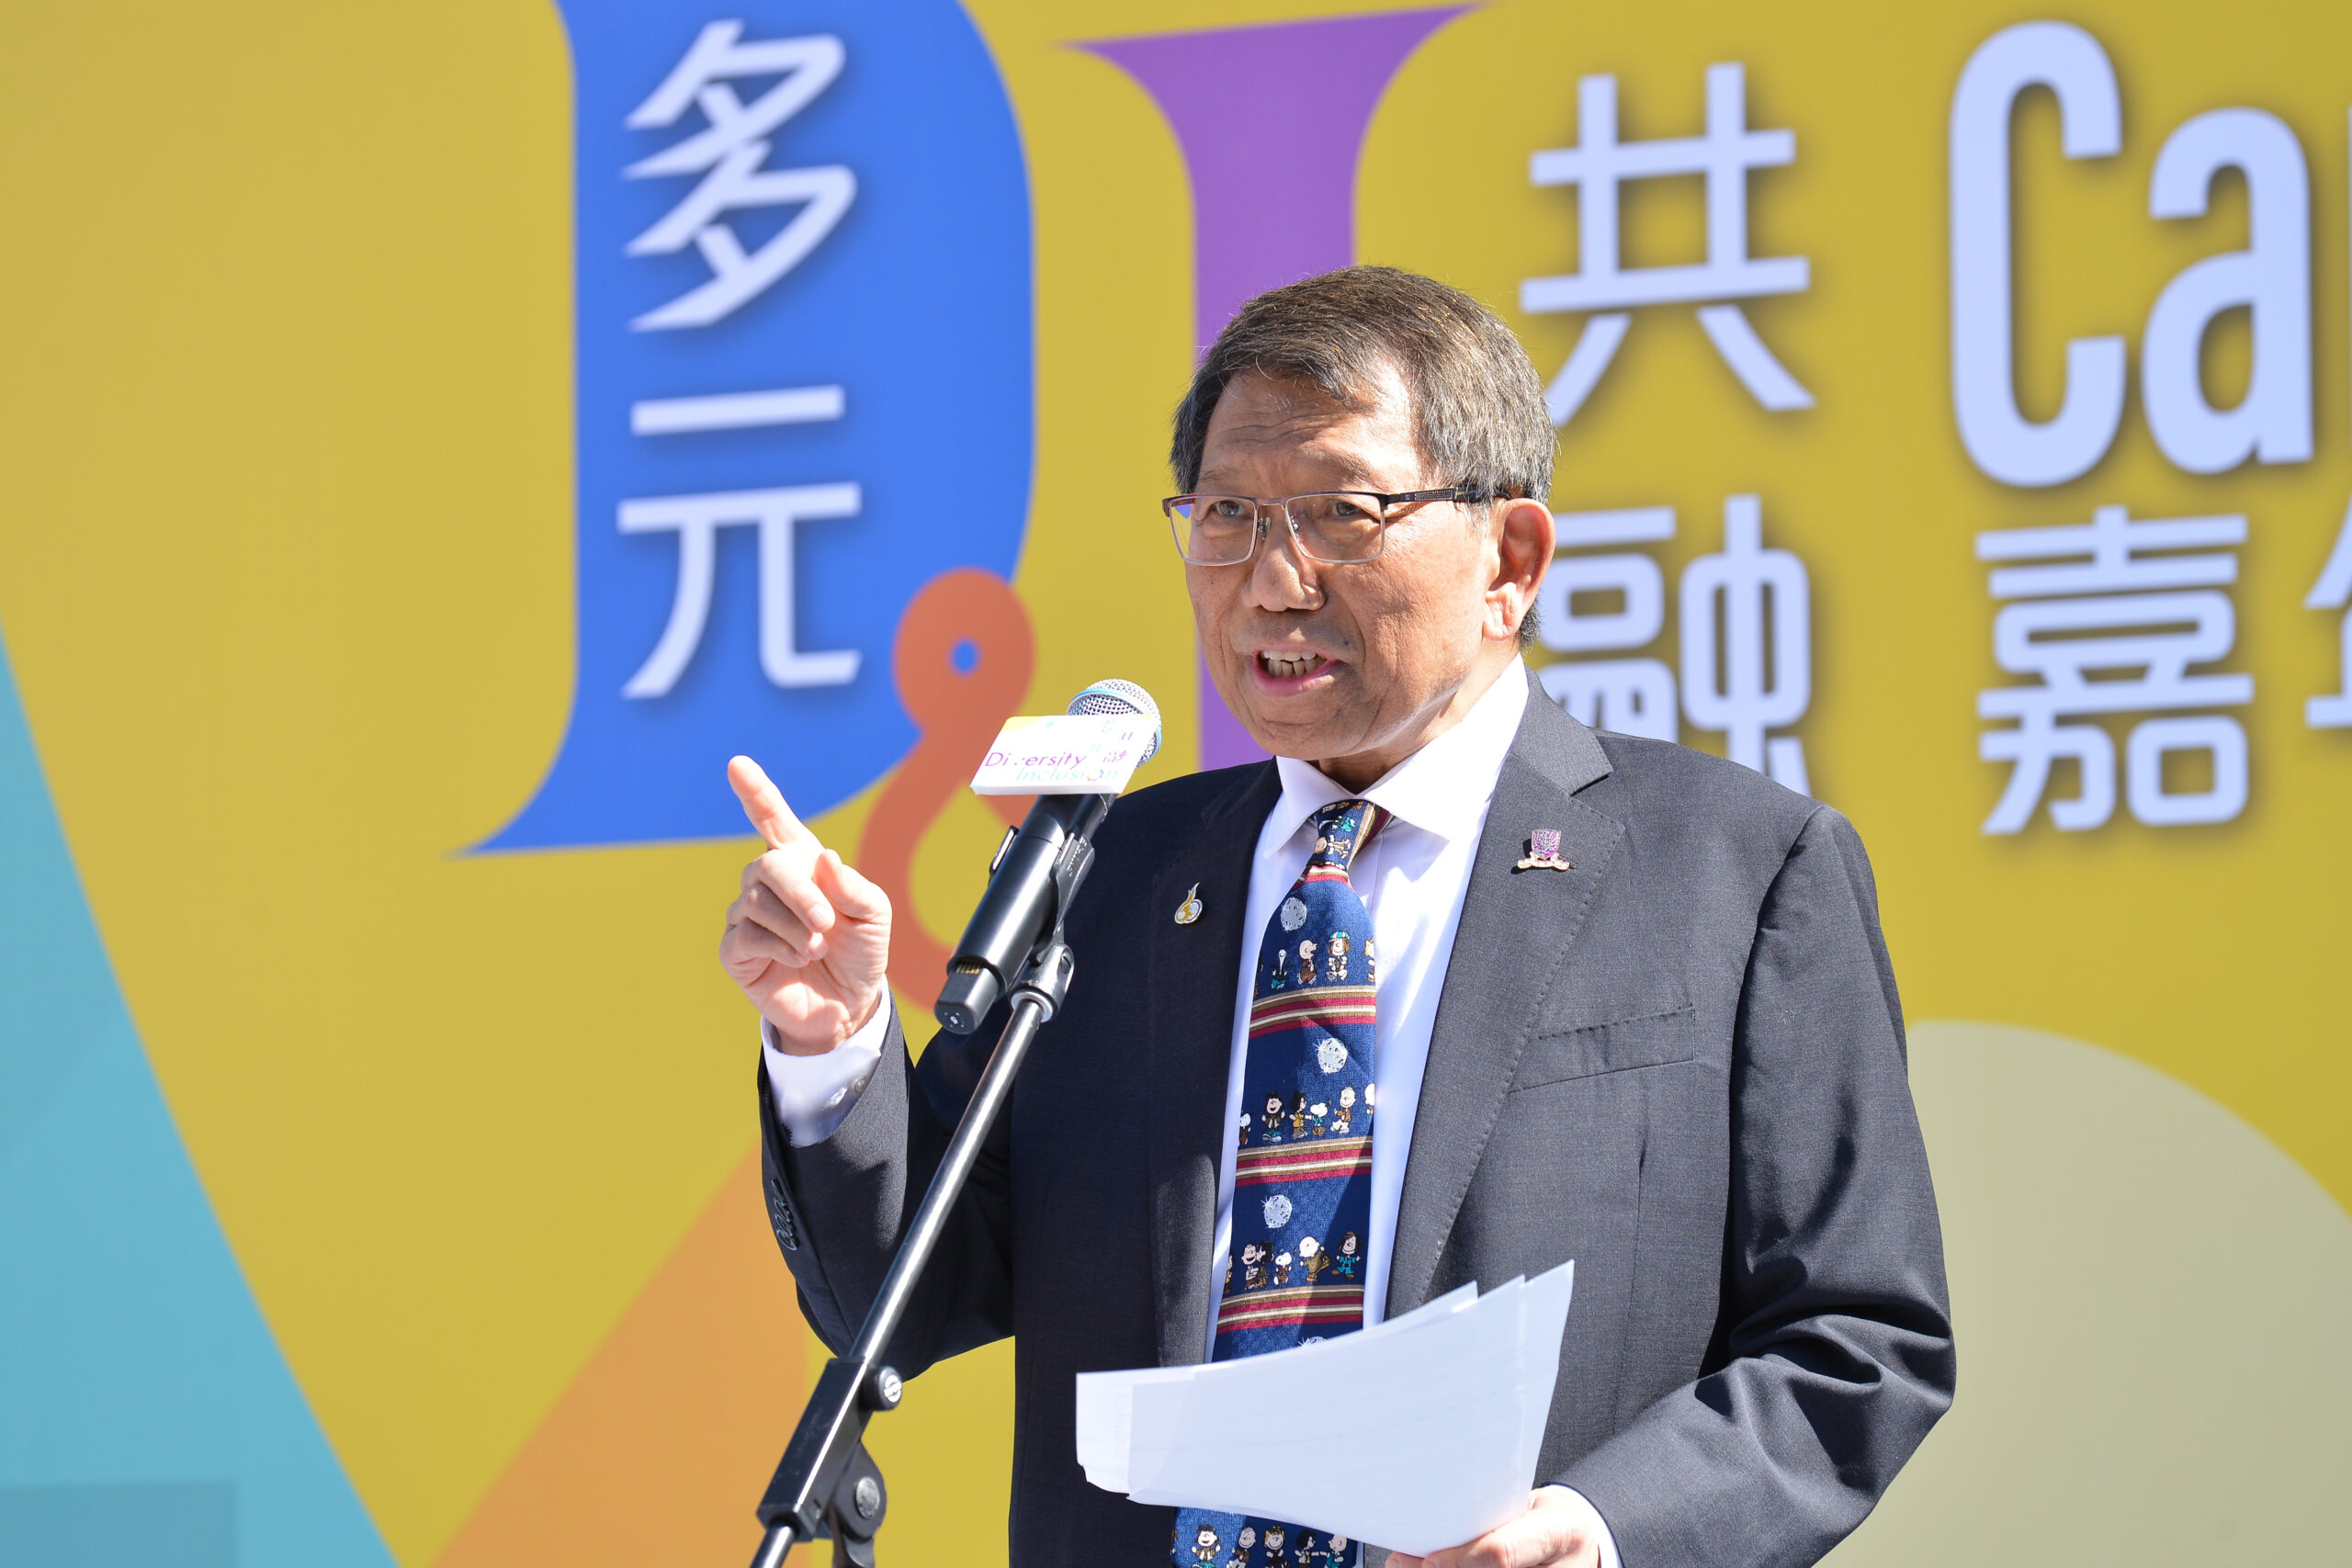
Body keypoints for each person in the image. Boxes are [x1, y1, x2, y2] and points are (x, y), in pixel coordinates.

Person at [720, 266, 1953, 1567]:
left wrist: (1602, 1532)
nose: (1271, 581)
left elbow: (1859, 1340)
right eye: (1230, 516)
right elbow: (898, 1299)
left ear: (1510, 558)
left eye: (1339, 516)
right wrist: (833, 1041)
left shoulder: (1734, 870)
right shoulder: (1111, 872)